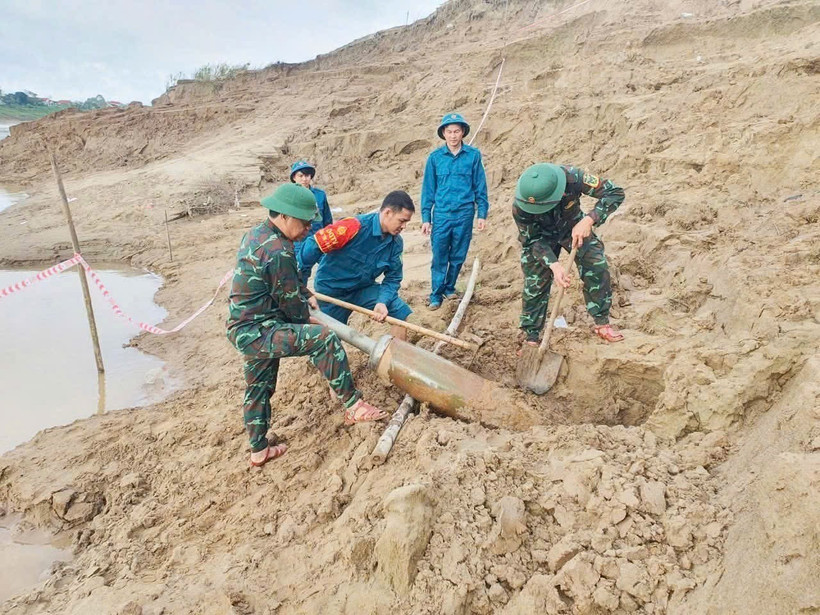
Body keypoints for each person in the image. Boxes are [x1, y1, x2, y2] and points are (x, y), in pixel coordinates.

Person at [226, 183, 387, 468]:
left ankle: (258, 450)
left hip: (243, 327)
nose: (307, 231)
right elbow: (292, 305)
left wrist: (305, 291)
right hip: (261, 330)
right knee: (322, 338)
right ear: (285, 216)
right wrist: (305, 315)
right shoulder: (278, 250)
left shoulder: (257, 234)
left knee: (259, 387)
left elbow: (283, 281)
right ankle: (354, 406)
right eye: (303, 223)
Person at [513, 163, 626, 346]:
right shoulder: (522, 206)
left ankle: (602, 323)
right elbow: (532, 240)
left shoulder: (572, 177)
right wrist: (554, 265)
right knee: (535, 283)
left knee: (596, 264)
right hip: (541, 238)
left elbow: (615, 192)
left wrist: (589, 220)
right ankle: (531, 337)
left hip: (573, 226)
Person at [300, 190, 415, 340]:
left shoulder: (396, 243)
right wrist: (300, 286)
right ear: (388, 213)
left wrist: (382, 302)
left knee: (400, 313)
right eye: (402, 221)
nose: (404, 226)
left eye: (407, 222)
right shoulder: (353, 227)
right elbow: (311, 247)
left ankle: (394, 360)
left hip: (362, 289)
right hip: (332, 292)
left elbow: (393, 278)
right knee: (328, 339)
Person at [421, 112, 489, 310]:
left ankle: (449, 288)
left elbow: (480, 187)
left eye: (456, 131)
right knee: (440, 255)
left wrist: (482, 214)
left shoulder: (473, 156)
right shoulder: (434, 159)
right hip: (442, 215)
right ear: (443, 133)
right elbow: (428, 190)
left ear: (462, 133)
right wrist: (426, 217)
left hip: (465, 213)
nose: (453, 135)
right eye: (449, 131)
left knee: (458, 255)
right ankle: (436, 294)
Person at [290, 160, 334, 282]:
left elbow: (327, 219)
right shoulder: (290, 197)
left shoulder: (320, 195)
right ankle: (302, 299)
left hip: (320, 240)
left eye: (307, 175)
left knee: (331, 270)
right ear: (294, 177)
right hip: (299, 243)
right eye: (301, 175)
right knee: (300, 275)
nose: (304, 179)